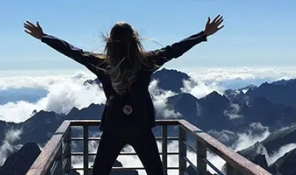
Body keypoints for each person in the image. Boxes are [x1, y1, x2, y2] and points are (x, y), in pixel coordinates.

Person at [24, 15, 224, 175]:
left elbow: (72, 51)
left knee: (100, 172)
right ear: (135, 40)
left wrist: (44, 37)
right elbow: (174, 49)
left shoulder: (102, 64)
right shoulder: (147, 62)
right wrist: (202, 34)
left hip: (113, 128)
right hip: (141, 128)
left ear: (110, 41)